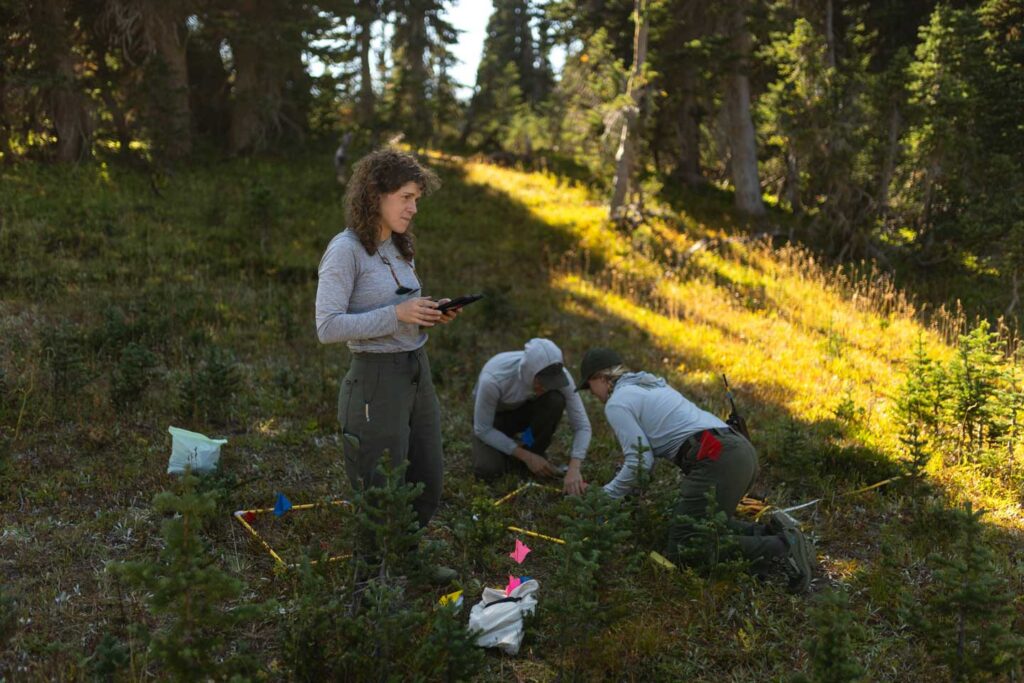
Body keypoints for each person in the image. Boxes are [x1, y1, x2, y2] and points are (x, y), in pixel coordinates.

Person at [316, 148, 460, 579]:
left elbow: (402, 303)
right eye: (407, 197)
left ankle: (406, 556)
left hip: (417, 370)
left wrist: (430, 313)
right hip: (375, 380)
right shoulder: (345, 251)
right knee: (379, 489)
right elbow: (327, 326)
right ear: (376, 194)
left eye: (417, 198)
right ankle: (372, 589)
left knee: (427, 477)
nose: (414, 208)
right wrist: (397, 316)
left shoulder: (399, 245)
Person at [576, 348, 814, 593]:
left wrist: (605, 496)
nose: (593, 394)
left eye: (589, 386)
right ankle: (768, 533)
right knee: (702, 525)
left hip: (718, 459)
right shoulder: (649, 384)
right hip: (739, 450)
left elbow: (640, 461)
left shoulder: (617, 403)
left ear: (601, 378)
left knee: (686, 546)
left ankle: (783, 548)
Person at [472, 339, 592, 495]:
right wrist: (526, 457)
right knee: (488, 470)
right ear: (529, 372)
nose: (546, 387)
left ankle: (531, 446)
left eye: (551, 382)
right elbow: (483, 428)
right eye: (541, 383)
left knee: (554, 400)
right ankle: (523, 454)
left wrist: (574, 468)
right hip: (495, 420)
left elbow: (582, 425)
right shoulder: (494, 379)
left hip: (523, 414)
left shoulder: (561, 377)